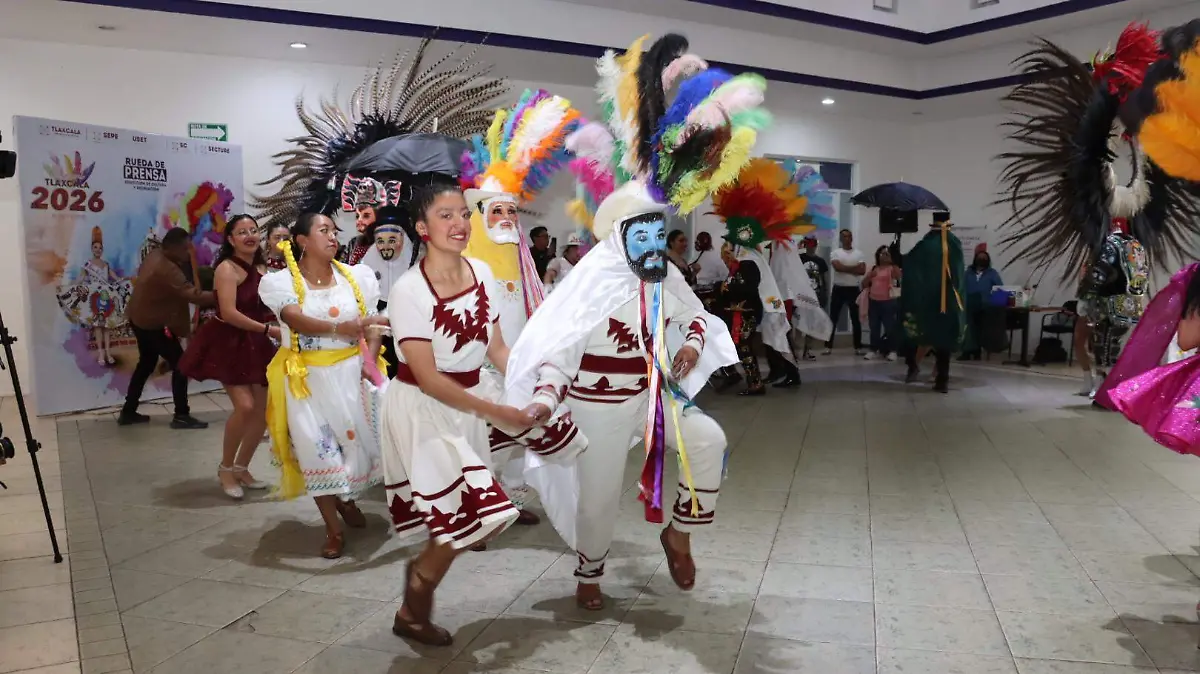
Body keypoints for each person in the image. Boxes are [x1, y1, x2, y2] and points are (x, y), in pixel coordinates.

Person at [506, 32, 756, 611]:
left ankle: (679, 532)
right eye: (638, 233)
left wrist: (690, 351)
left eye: (656, 232)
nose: (651, 243)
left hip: (654, 395)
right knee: (596, 502)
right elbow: (558, 347)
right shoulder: (588, 282)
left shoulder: (665, 277)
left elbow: (696, 322)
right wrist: (545, 399)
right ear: (618, 235)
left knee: (708, 439)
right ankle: (589, 574)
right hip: (595, 403)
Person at [380, 182, 539, 645]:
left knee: (465, 524)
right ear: (421, 227)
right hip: (423, 409)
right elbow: (428, 377)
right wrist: (499, 411)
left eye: (462, 215)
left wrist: (531, 389)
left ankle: (414, 598)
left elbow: (497, 347)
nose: (459, 224)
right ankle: (412, 608)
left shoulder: (483, 272)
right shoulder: (409, 290)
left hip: (466, 404)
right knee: (461, 520)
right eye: (445, 216)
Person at [259, 212, 388, 559]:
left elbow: (373, 325)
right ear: (302, 241)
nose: (333, 237)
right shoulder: (281, 282)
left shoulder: (356, 277)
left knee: (357, 448)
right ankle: (332, 527)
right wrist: (338, 330)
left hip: (350, 374)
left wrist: (369, 361)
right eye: (324, 231)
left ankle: (345, 499)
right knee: (318, 450)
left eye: (335, 231)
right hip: (306, 381)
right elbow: (293, 318)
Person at [179, 215, 278, 499]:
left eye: (253, 230)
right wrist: (268, 330)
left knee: (263, 412)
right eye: (241, 231)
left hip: (257, 342)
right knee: (245, 407)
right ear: (231, 239)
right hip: (229, 341)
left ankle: (242, 468)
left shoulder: (262, 266)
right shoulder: (226, 268)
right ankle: (225, 468)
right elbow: (230, 312)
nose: (249, 235)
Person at [120, 227, 215, 428]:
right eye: (184, 249)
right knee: (181, 364)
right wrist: (223, 294)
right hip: (150, 324)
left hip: (138, 318)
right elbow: (193, 295)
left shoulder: (155, 254)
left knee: (146, 363)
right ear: (172, 249)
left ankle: (128, 412)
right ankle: (181, 415)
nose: (187, 253)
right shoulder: (167, 269)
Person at [900, 212, 965, 393]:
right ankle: (942, 380)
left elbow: (910, 263)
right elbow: (958, 275)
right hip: (948, 303)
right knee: (943, 341)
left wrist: (897, 253)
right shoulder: (954, 244)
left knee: (917, 334)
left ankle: (914, 366)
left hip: (928, 301)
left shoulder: (927, 244)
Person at [824, 228, 865, 355]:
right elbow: (837, 267)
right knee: (833, 318)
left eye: (849, 236)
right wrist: (854, 268)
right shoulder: (836, 253)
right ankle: (828, 347)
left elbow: (862, 271)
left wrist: (844, 268)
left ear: (852, 238)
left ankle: (857, 347)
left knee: (855, 319)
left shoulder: (859, 253)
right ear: (841, 239)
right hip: (839, 288)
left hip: (854, 289)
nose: (847, 239)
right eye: (844, 236)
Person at [959, 243, 1002, 361]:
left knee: (980, 328)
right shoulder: (968, 272)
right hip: (969, 305)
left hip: (986, 306)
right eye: (980, 257)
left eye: (984, 258)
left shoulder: (993, 273)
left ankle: (977, 351)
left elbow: (999, 289)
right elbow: (961, 287)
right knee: (968, 328)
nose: (982, 260)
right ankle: (966, 352)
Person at [863, 245, 902, 361]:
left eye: (887, 254)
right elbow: (864, 284)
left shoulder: (892, 268)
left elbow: (898, 276)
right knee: (874, 327)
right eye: (882, 253)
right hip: (873, 301)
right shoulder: (874, 268)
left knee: (890, 327)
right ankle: (873, 350)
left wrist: (894, 261)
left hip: (888, 302)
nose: (884, 256)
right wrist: (869, 276)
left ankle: (893, 351)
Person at [799, 236, 829, 360]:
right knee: (798, 322)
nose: (811, 247)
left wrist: (824, 293)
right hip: (801, 295)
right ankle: (796, 349)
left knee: (811, 324)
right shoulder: (799, 259)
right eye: (809, 244)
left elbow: (824, 278)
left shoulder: (821, 262)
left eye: (813, 244)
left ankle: (807, 349)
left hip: (815, 294)